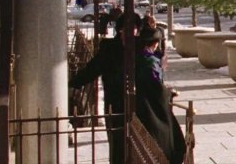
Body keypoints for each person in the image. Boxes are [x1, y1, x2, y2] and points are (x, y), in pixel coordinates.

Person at [69, 12, 141, 164]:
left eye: (133, 28)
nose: (130, 32)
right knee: (117, 144)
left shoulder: (140, 47)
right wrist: (73, 83)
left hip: (138, 103)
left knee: (138, 145)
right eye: (125, 28)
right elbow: (93, 69)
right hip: (115, 103)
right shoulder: (109, 48)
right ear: (120, 30)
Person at [135, 26, 186, 164]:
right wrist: (168, 92)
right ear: (155, 42)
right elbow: (155, 86)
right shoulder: (149, 60)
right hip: (152, 104)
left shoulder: (143, 56)